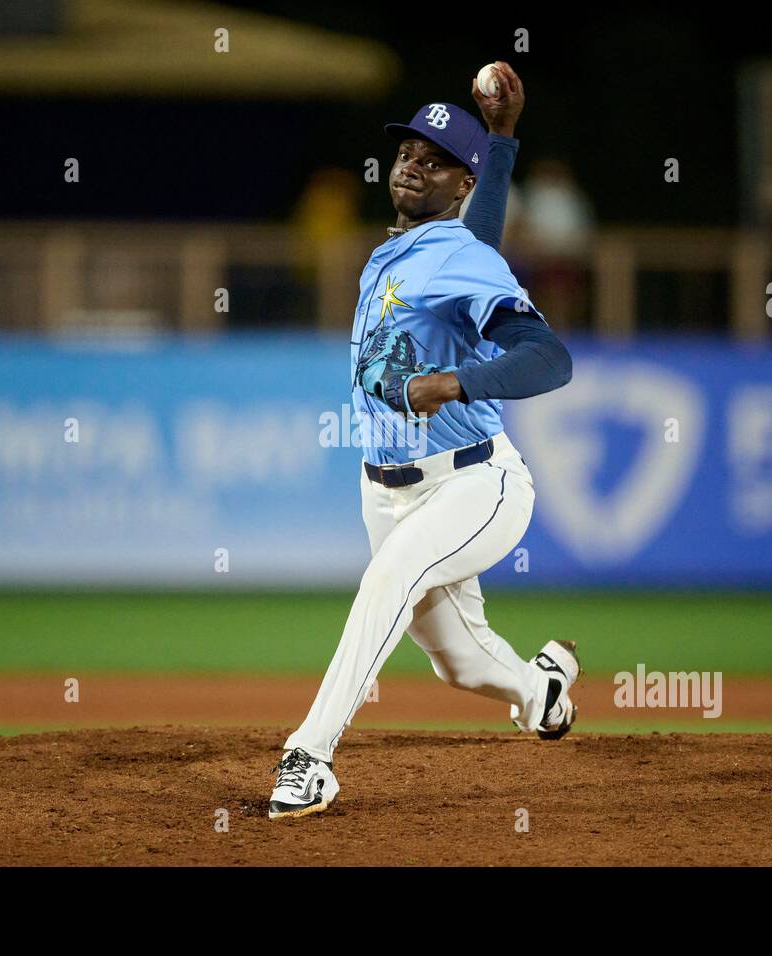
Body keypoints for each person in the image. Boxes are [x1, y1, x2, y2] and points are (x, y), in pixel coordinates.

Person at [269, 63, 577, 819]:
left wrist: (457, 384)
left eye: (437, 159)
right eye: (409, 149)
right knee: (461, 665)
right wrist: (499, 139)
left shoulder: (458, 256)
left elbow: (549, 356)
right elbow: (475, 244)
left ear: (460, 185)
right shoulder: (415, 249)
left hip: (474, 482)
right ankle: (542, 693)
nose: (413, 163)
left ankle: (309, 756)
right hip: (385, 488)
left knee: (390, 580)